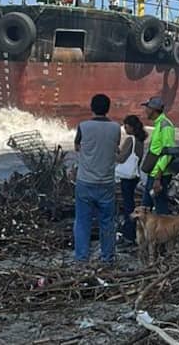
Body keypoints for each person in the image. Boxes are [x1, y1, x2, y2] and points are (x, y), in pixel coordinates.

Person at [73, 94, 121, 264]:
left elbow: (77, 146)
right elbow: (116, 147)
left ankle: (81, 258)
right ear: (108, 108)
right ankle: (108, 257)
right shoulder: (116, 128)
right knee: (107, 221)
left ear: (91, 107)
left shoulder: (83, 126)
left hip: (85, 181)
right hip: (106, 182)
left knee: (82, 221)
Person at [141, 96, 175, 214]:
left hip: (159, 175)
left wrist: (158, 178)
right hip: (154, 173)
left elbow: (168, 153)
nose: (145, 110)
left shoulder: (165, 126)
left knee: (160, 210)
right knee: (145, 208)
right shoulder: (159, 124)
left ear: (153, 110)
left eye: (147, 108)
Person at [117, 114, 147, 245]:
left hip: (127, 177)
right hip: (135, 175)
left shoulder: (130, 140)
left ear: (132, 127)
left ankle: (129, 233)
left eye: (126, 126)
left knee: (128, 205)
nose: (124, 128)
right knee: (131, 202)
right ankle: (134, 231)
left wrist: (112, 152)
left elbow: (121, 158)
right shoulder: (140, 140)